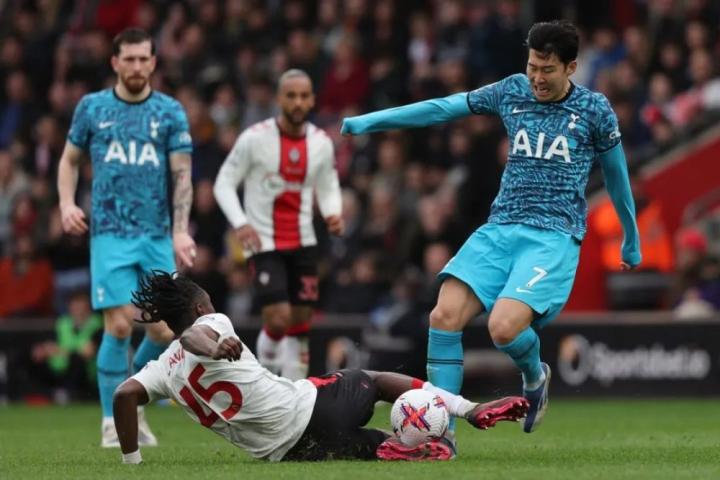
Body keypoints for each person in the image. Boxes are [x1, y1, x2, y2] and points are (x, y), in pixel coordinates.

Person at [341, 20, 641, 436]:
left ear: (571, 67)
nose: (537, 77)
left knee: (503, 327)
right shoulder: (512, 90)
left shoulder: (594, 110)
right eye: (533, 66)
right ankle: (442, 436)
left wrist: (631, 236)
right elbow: (444, 107)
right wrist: (370, 122)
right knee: (443, 316)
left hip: (551, 237)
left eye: (548, 69)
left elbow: (616, 174)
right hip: (500, 230)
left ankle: (535, 375)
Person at [113, 271, 529, 463]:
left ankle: (400, 447)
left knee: (372, 443)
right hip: (308, 409)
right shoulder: (212, 324)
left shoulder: (161, 370)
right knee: (370, 380)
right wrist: (216, 343)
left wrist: (132, 462)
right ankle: (467, 408)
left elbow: (123, 395)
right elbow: (193, 338)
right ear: (199, 308)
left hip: (287, 453)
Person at [56, 28, 196, 447]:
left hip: (155, 235)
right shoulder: (92, 108)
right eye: (128, 59)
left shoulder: (169, 112)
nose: (136, 66)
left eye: (143, 59)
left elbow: (182, 175)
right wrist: (66, 203)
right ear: (115, 62)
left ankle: (130, 402)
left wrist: (180, 230)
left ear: (153, 62)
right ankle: (110, 420)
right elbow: (69, 160)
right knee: (118, 325)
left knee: (162, 333)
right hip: (110, 234)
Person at [213, 69, 343, 380]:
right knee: (278, 318)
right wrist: (241, 223)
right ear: (279, 99)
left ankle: (294, 392)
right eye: (291, 95)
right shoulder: (254, 138)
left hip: (304, 241)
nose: (297, 102)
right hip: (264, 242)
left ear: (312, 100)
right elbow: (224, 183)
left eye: (304, 96)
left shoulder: (321, 142)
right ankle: (266, 380)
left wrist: (332, 212)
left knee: (300, 323)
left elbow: (328, 184)